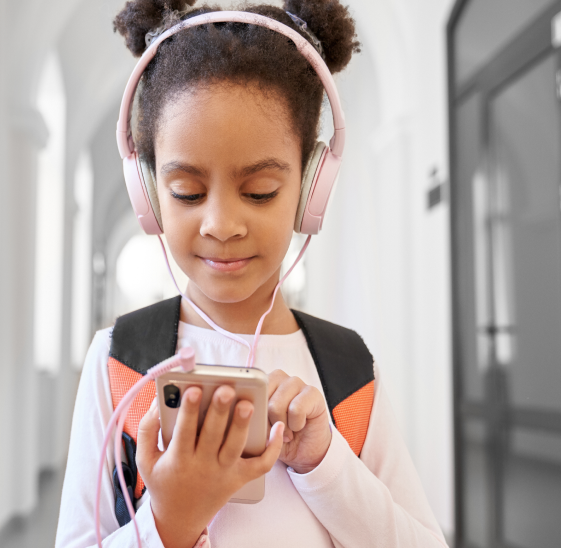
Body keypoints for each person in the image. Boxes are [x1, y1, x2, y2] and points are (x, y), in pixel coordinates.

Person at [56, 1, 449, 546]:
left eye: (260, 192)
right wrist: (168, 522)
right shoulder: (122, 362)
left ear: (311, 190)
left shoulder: (347, 371)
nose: (220, 224)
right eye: (187, 193)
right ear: (148, 196)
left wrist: (324, 464)